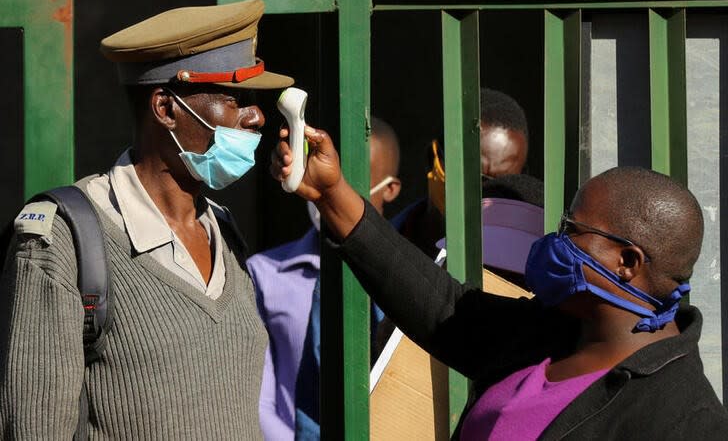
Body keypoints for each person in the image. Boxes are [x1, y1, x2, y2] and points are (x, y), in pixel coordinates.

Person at [271, 126, 728, 439]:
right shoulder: (551, 333)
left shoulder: (685, 419)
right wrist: (332, 194)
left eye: (572, 229)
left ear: (628, 261)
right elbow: (443, 307)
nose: (556, 241)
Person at [0, 0, 292, 439]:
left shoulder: (222, 228)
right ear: (165, 108)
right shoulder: (61, 241)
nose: (256, 116)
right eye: (236, 98)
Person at [247, 117, 401, 441]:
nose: (331, 193)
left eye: (348, 183)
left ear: (390, 188)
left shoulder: (405, 276)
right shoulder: (263, 273)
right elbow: (259, 395)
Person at [400, 87, 531, 259]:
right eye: (476, 179)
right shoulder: (385, 245)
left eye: (505, 185)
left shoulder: (527, 267)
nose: (487, 196)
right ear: (432, 159)